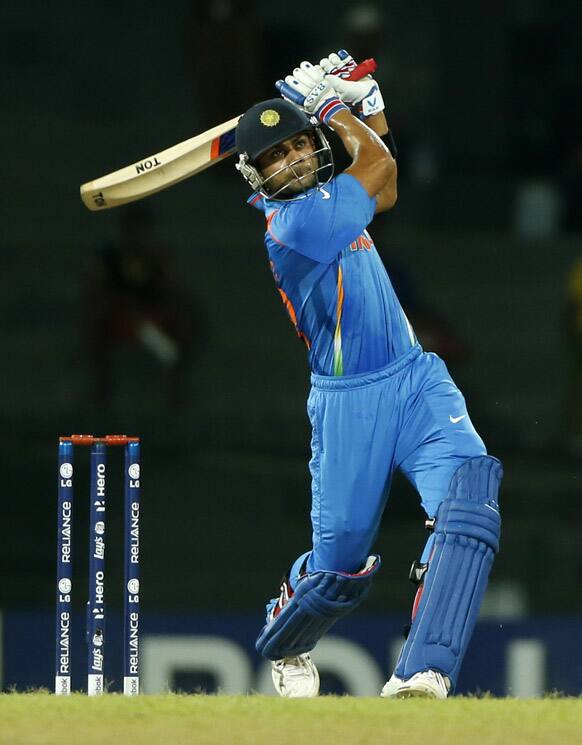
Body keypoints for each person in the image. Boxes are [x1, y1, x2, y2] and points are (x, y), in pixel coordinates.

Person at [234, 51, 502, 699]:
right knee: (339, 568)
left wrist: (367, 101)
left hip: (416, 379)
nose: (295, 159)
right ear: (257, 175)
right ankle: (287, 636)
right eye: (278, 156)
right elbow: (377, 165)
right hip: (350, 402)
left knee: (469, 501)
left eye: (300, 144)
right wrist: (331, 108)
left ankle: (423, 672)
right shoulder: (294, 227)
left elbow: (386, 187)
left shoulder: (332, 194)